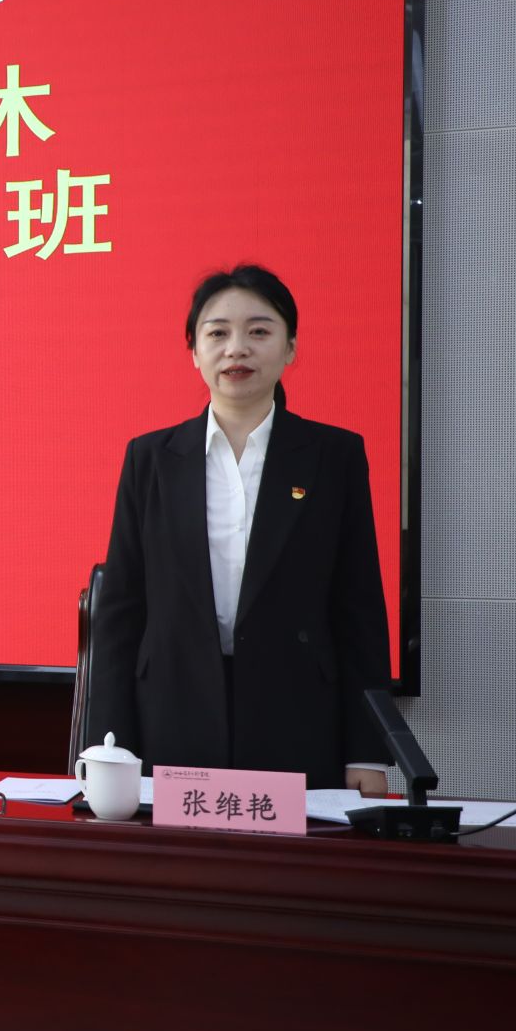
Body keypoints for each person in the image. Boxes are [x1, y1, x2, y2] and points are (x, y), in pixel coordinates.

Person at [88, 265, 391, 793]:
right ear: (194, 351)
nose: (237, 349)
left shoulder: (333, 456)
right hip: (171, 714)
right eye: (217, 333)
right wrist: (108, 746)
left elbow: (357, 608)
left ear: (290, 347)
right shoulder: (151, 459)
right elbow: (120, 612)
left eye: (258, 331)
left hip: (296, 714)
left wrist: (368, 750)